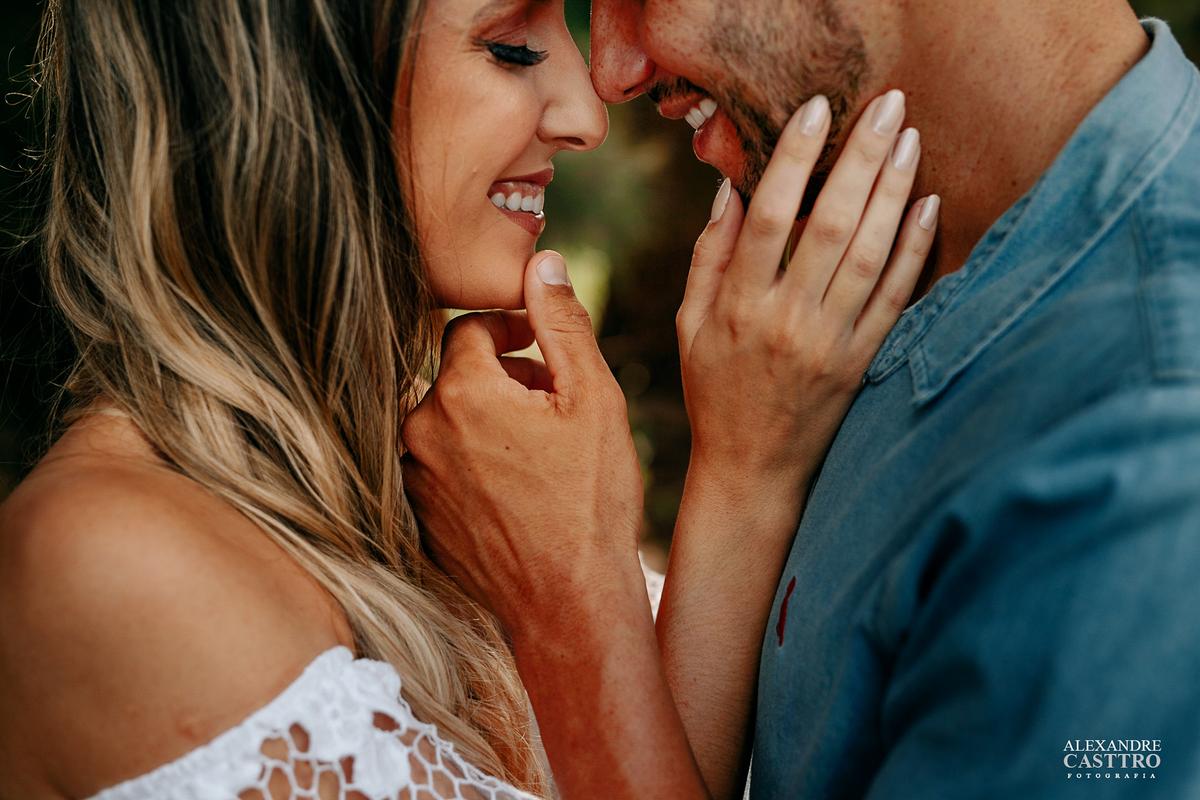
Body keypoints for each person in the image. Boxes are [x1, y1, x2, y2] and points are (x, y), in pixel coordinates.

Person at [0, 1, 935, 799]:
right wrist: (573, 593)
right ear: (294, 90)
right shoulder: (118, 566)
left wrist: (743, 468)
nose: (587, 115)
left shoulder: (425, 504)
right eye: (511, 46)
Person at [401, 0, 1200, 797]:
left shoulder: (1139, 469)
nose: (611, 76)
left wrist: (570, 605)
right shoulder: (823, 310)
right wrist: (742, 477)